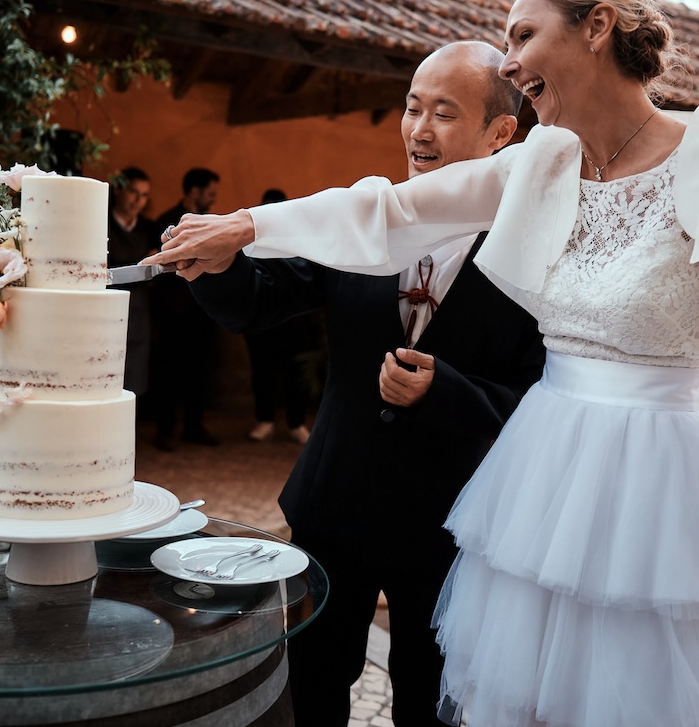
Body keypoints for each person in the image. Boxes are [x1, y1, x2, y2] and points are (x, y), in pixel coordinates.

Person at [150, 0, 699, 727]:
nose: (508, 60)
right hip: (538, 484)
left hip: (657, 495)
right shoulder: (540, 162)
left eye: (523, 34)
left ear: (596, 26)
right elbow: (391, 215)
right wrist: (251, 225)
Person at [180, 42, 546, 725]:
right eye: (412, 108)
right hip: (333, 506)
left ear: (502, 133)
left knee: (430, 698)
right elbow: (258, 299)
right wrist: (216, 266)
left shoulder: (530, 256)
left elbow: (539, 398)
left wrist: (448, 393)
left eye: (444, 112)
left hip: (451, 527)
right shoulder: (359, 217)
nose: (419, 130)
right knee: (311, 687)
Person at [148, 167, 223, 449]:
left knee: (199, 369)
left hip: (202, 310)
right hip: (172, 310)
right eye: (211, 194)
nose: (213, 200)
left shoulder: (212, 224)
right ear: (195, 191)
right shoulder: (165, 222)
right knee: (168, 369)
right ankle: (165, 429)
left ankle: (194, 425)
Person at [242, 188, 319, 446]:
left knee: (294, 372)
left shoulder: (299, 237)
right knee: (261, 371)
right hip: (261, 320)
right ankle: (265, 421)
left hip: (294, 321)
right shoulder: (249, 239)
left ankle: (295, 423)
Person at [107, 166, 157, 399]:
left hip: (139, 314)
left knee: (134, 382)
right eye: (134, 192)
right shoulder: (101, 223)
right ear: (118, 190)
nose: (138, 200)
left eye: (145, 195)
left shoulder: (150, 228)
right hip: (106, 314)